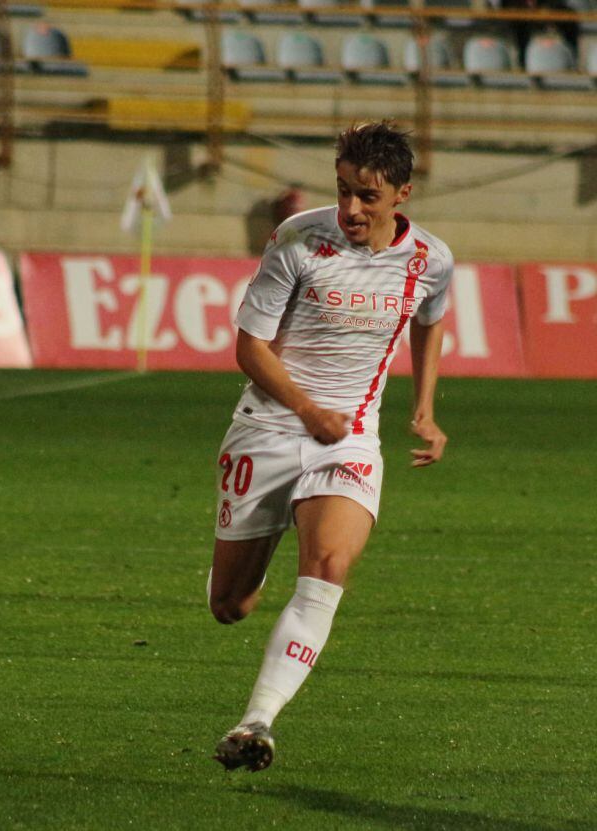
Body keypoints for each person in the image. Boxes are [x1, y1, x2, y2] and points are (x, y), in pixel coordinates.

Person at [209, 121, 451, 772]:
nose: (349, 208)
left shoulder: (431, 258)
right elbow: (249, 348)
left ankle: (257, 720)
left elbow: (429, 321)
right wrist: (308, 409)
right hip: (269, 426)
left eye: (366, 196)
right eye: (343, 191)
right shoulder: (295, 241)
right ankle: (247, 558)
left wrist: (424, 408)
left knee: (328, 567)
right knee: (231, 605)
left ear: (401, 193)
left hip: (348, 437)